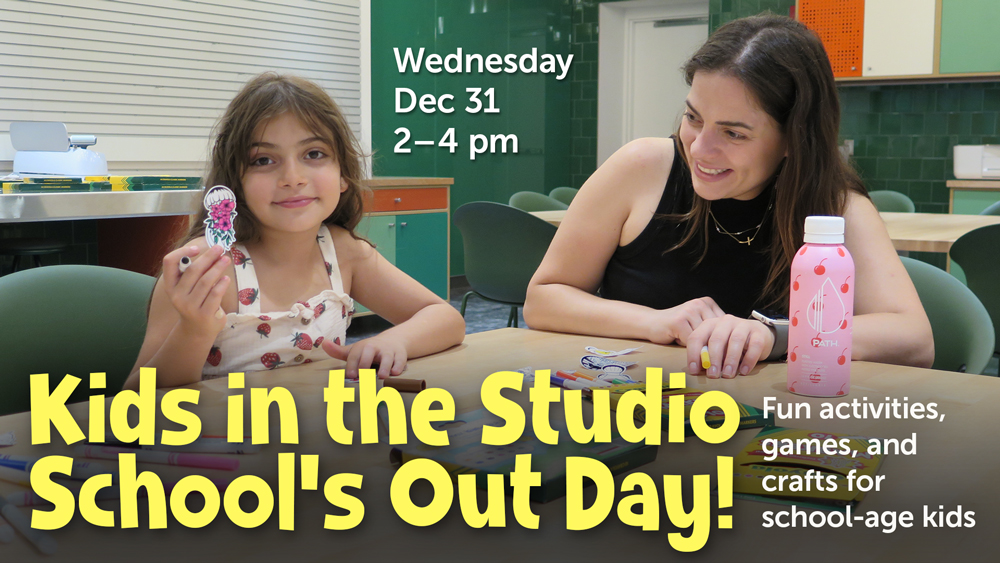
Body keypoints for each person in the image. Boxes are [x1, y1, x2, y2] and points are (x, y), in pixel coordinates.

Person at [523, 14, 933, 378]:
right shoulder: (641, 168)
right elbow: (543, 299)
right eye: (693, 117)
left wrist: (776, 335)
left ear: (793, 139)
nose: (700, 149)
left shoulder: (836, 207)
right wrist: (654, 321)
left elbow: (915, 339)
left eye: (733, 133)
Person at [125, 72, 465, 389]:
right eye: (263, 160)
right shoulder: (207, 267)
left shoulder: (344, 252)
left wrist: (393, 340)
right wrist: (194, 330)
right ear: (235, 182)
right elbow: (136, 396)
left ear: (344, 176)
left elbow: (446, 318)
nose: (293, 177)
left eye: (314, 154)